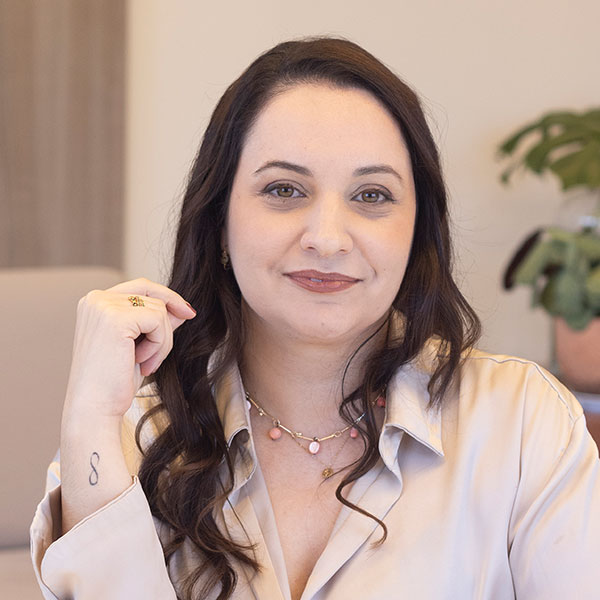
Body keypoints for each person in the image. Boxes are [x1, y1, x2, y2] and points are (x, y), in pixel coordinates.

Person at [31, 37, 600, 600]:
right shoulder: (128, 430)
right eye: (284, 189)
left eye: (372, 195)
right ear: (219, 219)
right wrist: (87, 418)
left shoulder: (524, 422)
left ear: (416, 230)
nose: (327, 239)